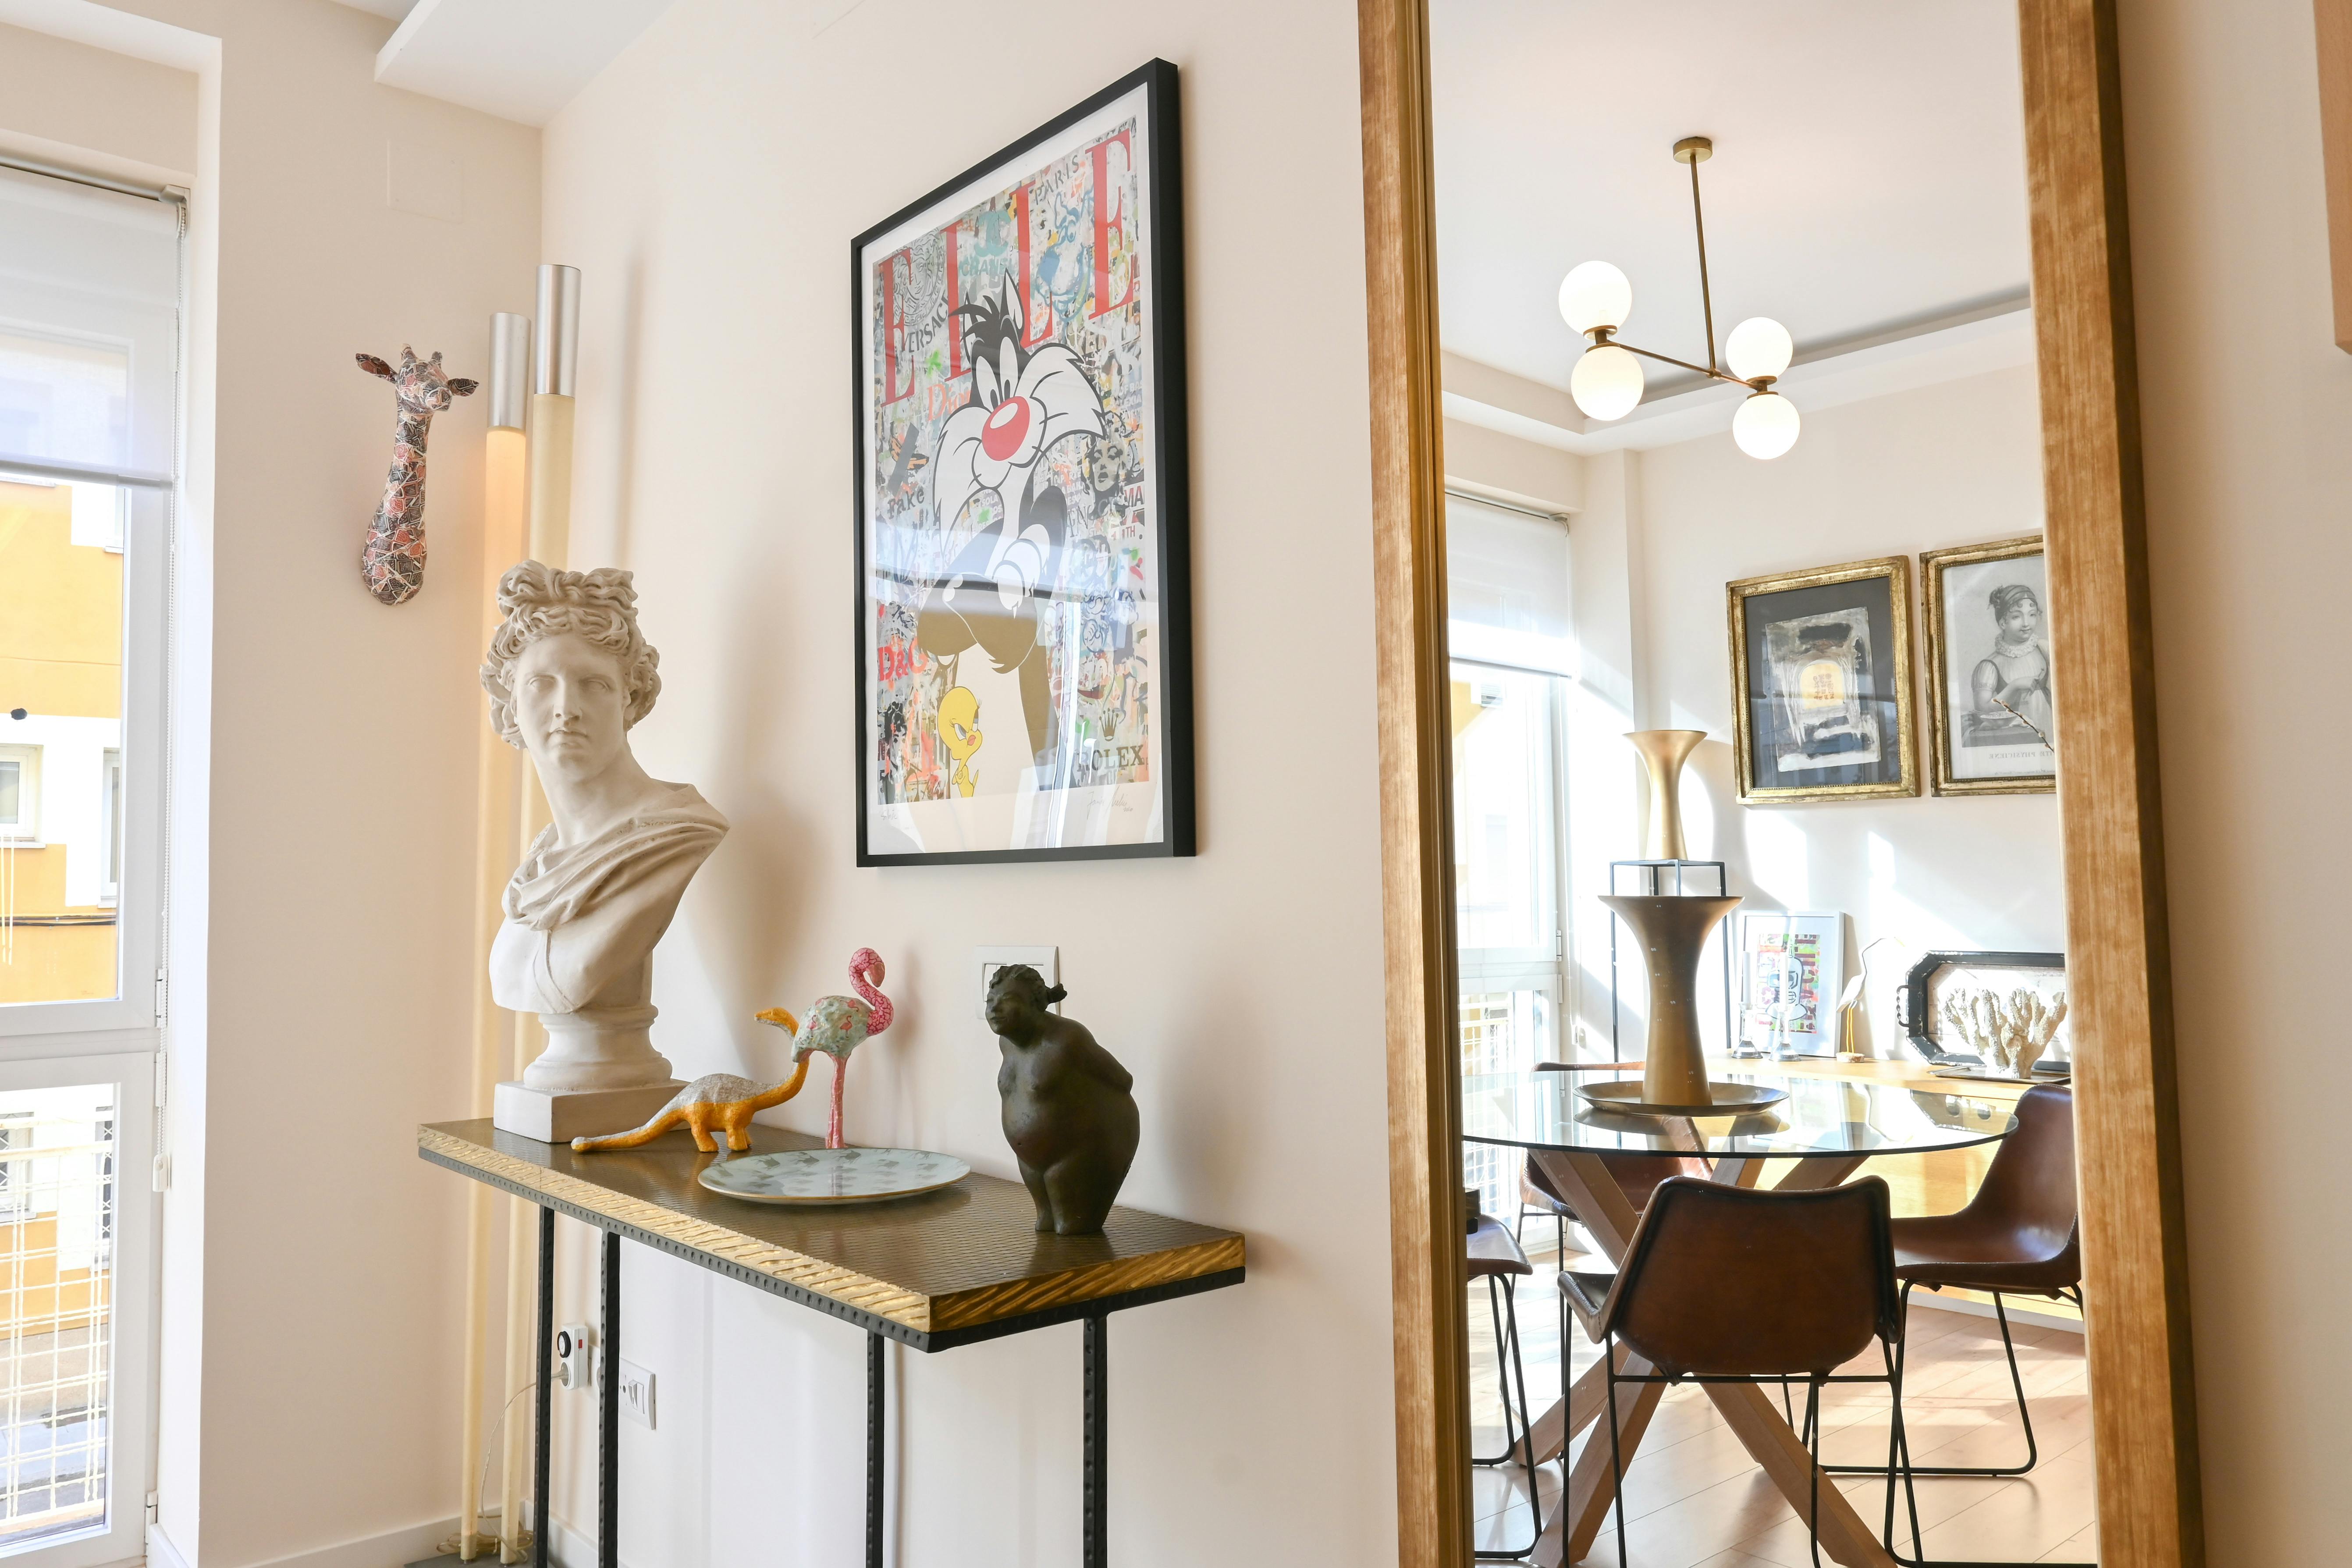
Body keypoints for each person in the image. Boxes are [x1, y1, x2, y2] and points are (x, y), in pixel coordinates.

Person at [481, 562, 727, 1092]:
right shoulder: (540, 862)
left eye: (592, 684)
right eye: (541, 684)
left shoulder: (676, 834)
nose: (565, 709)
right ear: (510, 703)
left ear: (630, 698)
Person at [1969, 582, 2054, 745]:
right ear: (2003, 623)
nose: (2026, 623)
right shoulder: (1990, 665)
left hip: (2050, 724)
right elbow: (1982, 711)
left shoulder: (2044, 649)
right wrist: (2014, 686)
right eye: (2017, 617)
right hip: (2017, 736)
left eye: (2032, 615)